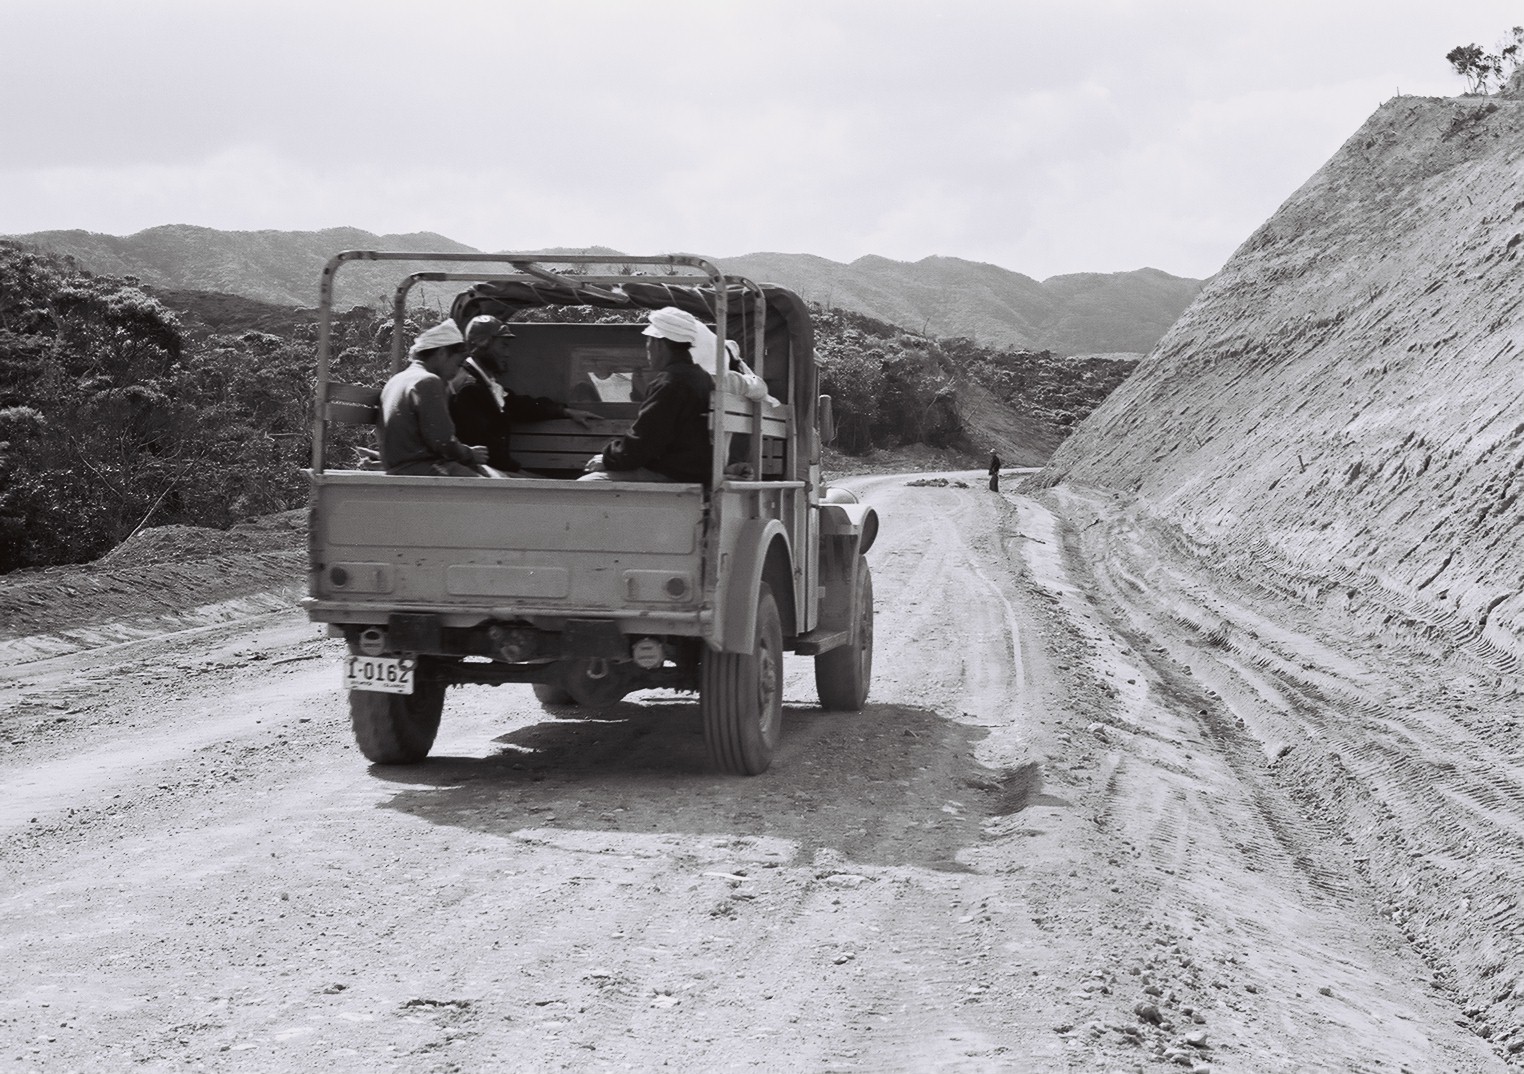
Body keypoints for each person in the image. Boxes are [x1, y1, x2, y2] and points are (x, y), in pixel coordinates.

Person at [450, 315, 599, 476]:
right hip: (481, 473)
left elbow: (519, 406)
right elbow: (485, 447)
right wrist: (518, 472)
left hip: (494, 469)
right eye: (503, 346)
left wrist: (564, 411)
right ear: (482, 343)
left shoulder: (483, 383)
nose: (507, 354)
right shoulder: (469, 389)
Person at [579, 307, 714, 483]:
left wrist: (607, 459)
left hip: (672, 474)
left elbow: (644, 443)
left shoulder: (670, 383)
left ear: (658, 344)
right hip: (692, 471)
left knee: (587, 484)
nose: (647, 348)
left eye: (648, 341)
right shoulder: (702, 377)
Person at [379, 320, 488, 476]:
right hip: (422, 469)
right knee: (492, 487)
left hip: (400, 467)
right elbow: (443, 442)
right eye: (458, 364)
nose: (456, 372)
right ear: (442, 353)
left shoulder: (396, 380)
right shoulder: (429, 381)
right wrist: (469, 454)